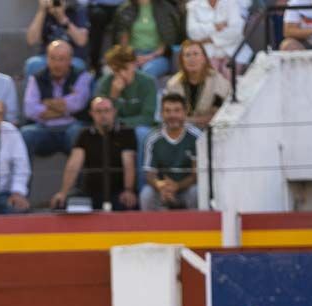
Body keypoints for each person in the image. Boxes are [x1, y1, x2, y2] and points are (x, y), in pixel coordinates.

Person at [50, 96, 138, 211]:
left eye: (107, 111)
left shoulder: (126, 132)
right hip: (90, 192)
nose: (103, 115)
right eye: (98, 111)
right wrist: (63, 192)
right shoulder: (84, 134)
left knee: (129, 204)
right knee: (64, 204)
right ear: (91, 114)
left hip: (118, 192)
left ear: (114, 112)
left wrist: (128, 190)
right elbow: (74, 165)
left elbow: (129, 164)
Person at [94, 44, 156, 183]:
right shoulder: (105, 83)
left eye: (124, 69)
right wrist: (113, 96)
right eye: (116, 70)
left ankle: (142, 186)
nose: (121, 74)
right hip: (114, 129)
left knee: (142, 134)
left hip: (136, 128)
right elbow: (102, 117)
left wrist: (122, 123)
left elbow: (147, 117)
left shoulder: (147, 82)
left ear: (134, 65)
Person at [21, 40, 92, 158]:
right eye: (52, 58)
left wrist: (46, 103)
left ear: (70, 60)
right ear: (47, 59)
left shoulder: (82, 76)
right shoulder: (36, 78)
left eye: (61, 59)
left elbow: (78, 104)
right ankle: (22, 176)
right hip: (44, 128)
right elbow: (30, 110)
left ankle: (78, 176)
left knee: (79, 133)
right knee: (26, 133)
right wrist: (65, 109)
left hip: (72, 126)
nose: (56, 64)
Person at [140, 93, 200, 210]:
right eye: (167, 111)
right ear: (161, 114)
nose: (172, 115)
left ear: (185, 112)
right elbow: (149, 174)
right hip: (163, 190)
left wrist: (177, 186)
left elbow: (196, 175)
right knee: (146, 195)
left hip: (187, 188)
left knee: (196, 193)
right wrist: (160, 186)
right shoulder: (153, 139)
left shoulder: (196, 137)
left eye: (177, 110)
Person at [163, 41, 230, 129]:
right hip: (181, 131)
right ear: (182, 60)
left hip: (210, 131)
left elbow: (216, 116)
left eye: (195, 54)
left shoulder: (218, 81)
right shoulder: (173, 84)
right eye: (187, 55)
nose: (191, 59)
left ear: (204, 58)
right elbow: (170, 115)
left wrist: (189, 121)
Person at [114, 0, 183, 80]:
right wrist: (132, 57)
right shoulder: (125, 9)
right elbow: (123, 40)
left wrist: (149, 57)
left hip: (158, 56)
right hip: (132, 55)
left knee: (148, 72)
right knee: (128, 71)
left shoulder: (165, 8)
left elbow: (167, 41)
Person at [25, 0, 90, 78]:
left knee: (78, 65)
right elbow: (31, 40)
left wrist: (62, 17)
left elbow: (82, 41)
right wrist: (41, 11)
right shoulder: (44, 12)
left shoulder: (78, 9)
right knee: (33, 64)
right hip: (47, 58)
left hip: (72, 58)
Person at [185, 0, 245, 76]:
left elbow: (236, 31)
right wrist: (214, 27)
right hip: (207, 53)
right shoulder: (193, 5)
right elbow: (192, 33)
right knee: (211, 77)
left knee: (228, 73)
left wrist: (209, 39)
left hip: (231, 51)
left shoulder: (232, 3)